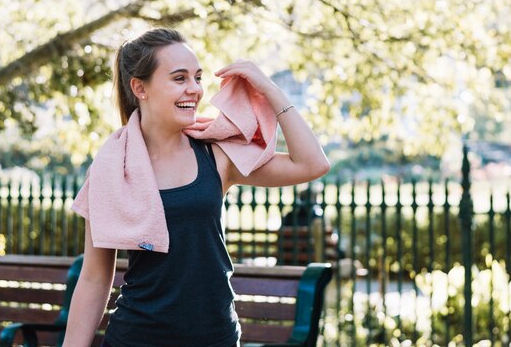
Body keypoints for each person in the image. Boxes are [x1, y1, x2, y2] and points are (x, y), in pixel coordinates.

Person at [62, 28, 330, 347]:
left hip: (215, 338)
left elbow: (312, 164)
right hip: (135, 338)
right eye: (179, 78)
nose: (195, 90)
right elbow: (94, 277)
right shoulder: (110, 169)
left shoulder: (216, 156)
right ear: (139, 87)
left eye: (198, 77)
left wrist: (269, 89)